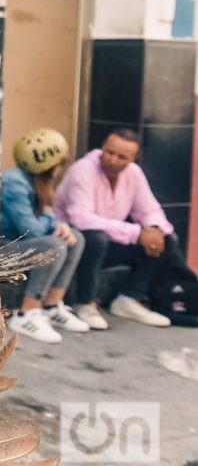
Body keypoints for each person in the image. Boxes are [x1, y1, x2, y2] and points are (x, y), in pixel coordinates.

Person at [56, 129, 179, 329]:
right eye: (109, 152)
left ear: (133, 159)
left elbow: (149, 209)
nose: (112, 160)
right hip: (73, 244)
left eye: (121, 157)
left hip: (110, 243)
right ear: (102, 147)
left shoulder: (134, 174)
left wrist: (154, 229)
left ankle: (128, 299)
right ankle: (85, 303)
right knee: (96, 238)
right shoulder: (83, 170)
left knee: (167, 239)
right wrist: (137, 233)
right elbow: (81, 219)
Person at [0, 129, 89, 343]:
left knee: (75, 238)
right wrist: (52, 220)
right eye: (61, 162)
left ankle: (51, 306)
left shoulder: (35, 182)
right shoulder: (14, 183)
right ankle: (27, 313)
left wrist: (59, 225)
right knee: (54, 243)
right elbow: (33, 231)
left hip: (18, 243)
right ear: (51, 166)